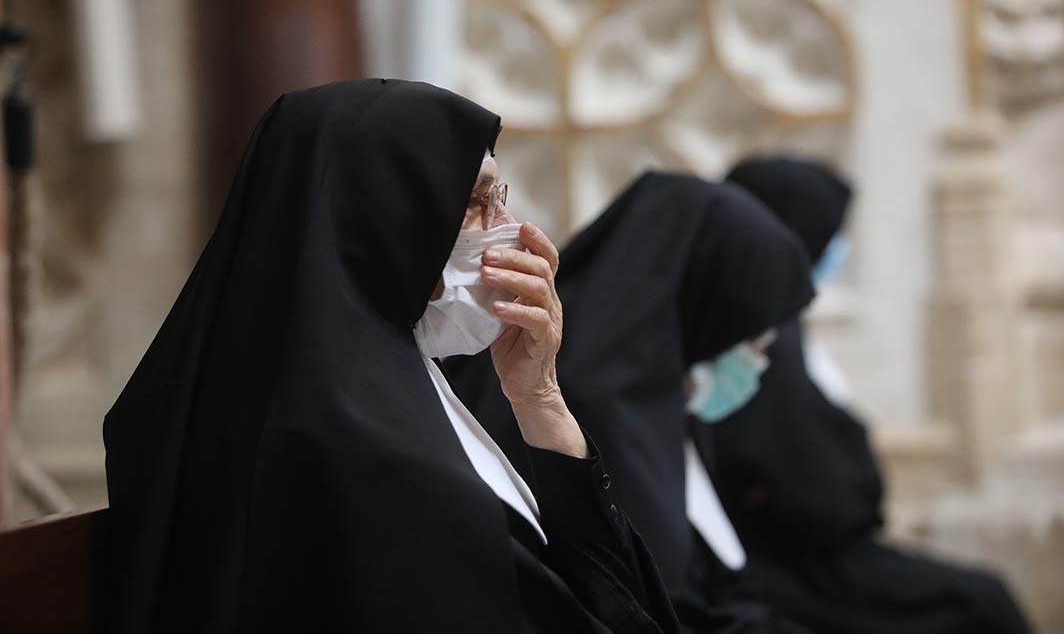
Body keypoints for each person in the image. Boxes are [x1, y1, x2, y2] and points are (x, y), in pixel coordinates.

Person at [103, 79, 680, 633]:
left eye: (500, 197)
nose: (510, 230)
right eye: (478, 200)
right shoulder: (364, 445)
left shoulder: (396, 384)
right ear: (384, 218)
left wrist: (541, 402)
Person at [448, 172, 816, 633]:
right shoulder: (589, 404)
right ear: (709, 306)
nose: (760, 358)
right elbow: (636, 600)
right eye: (754, 336)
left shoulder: (666, 394)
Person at [707, 154, 1031, 634]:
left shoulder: (779, 322)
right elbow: (808, 487)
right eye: (828, 234)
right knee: (981, 603)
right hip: (793, 565)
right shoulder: (759, 330)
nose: (838, 250)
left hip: (805, 553)